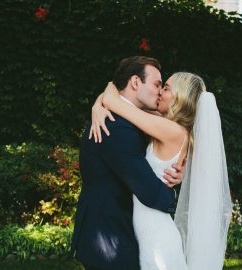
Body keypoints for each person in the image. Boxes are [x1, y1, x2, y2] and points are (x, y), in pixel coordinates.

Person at [91, 70, 233, 269]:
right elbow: (114, 93)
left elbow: (113, 100)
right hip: (150, 232)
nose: (159, 92)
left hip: (156, 237)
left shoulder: (172, 131)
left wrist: (100, 104)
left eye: (166, 88)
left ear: (180, 98)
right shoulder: (166, 124)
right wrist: (98, 105)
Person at [71, 56, 185, 270]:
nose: (160, 91)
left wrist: (100, 101)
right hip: (110, 238)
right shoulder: (115, 126)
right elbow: (149, 191)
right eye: (157, 84)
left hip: (115, 231)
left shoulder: (121, 117)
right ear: (134, 82)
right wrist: (174, 194)